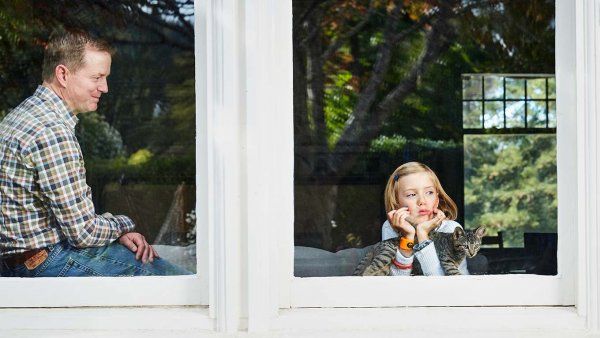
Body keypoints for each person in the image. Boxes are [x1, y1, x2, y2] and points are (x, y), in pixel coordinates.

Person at [0, 30, 190, 277]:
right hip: (48, 262)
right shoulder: (51, 131)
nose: (105, 87)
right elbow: (83, 233)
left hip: (19, 263)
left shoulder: (20, 117)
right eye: (97, 77)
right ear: (63, 74)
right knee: (180, 284)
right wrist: (124, 225)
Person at [381, 161, 468, 276]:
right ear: (397, 204)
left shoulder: (451, 229)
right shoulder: (390, 227)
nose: (422, 201)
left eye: (429, 192)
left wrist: (422, 235)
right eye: (411, 195)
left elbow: (439, 285)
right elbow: (397, 282)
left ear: (437, 200)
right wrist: (407, 237)